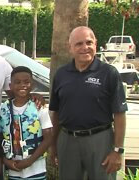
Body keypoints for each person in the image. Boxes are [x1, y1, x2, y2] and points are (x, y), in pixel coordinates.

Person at [49, 26, 128, 180]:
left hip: (100, 141)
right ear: (70, 47)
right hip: (68, 140)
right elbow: (56, 112)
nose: (85, 47)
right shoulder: (61, 74)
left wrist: (117, 151)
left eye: (89, 42)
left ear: (95, 44)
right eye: (79, 44)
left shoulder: (109, 73)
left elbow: (119, 114)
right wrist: (53, 145)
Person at [0, 66, 52, 180]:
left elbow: (48, 138)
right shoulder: (3, 109)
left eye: (27, 82)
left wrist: (29, 161)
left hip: (36, 168)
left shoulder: (39, 107)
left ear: (32, 85)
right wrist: (6, 161)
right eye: (17, 82)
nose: (23, 85)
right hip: (14, 167)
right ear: (10, 86)